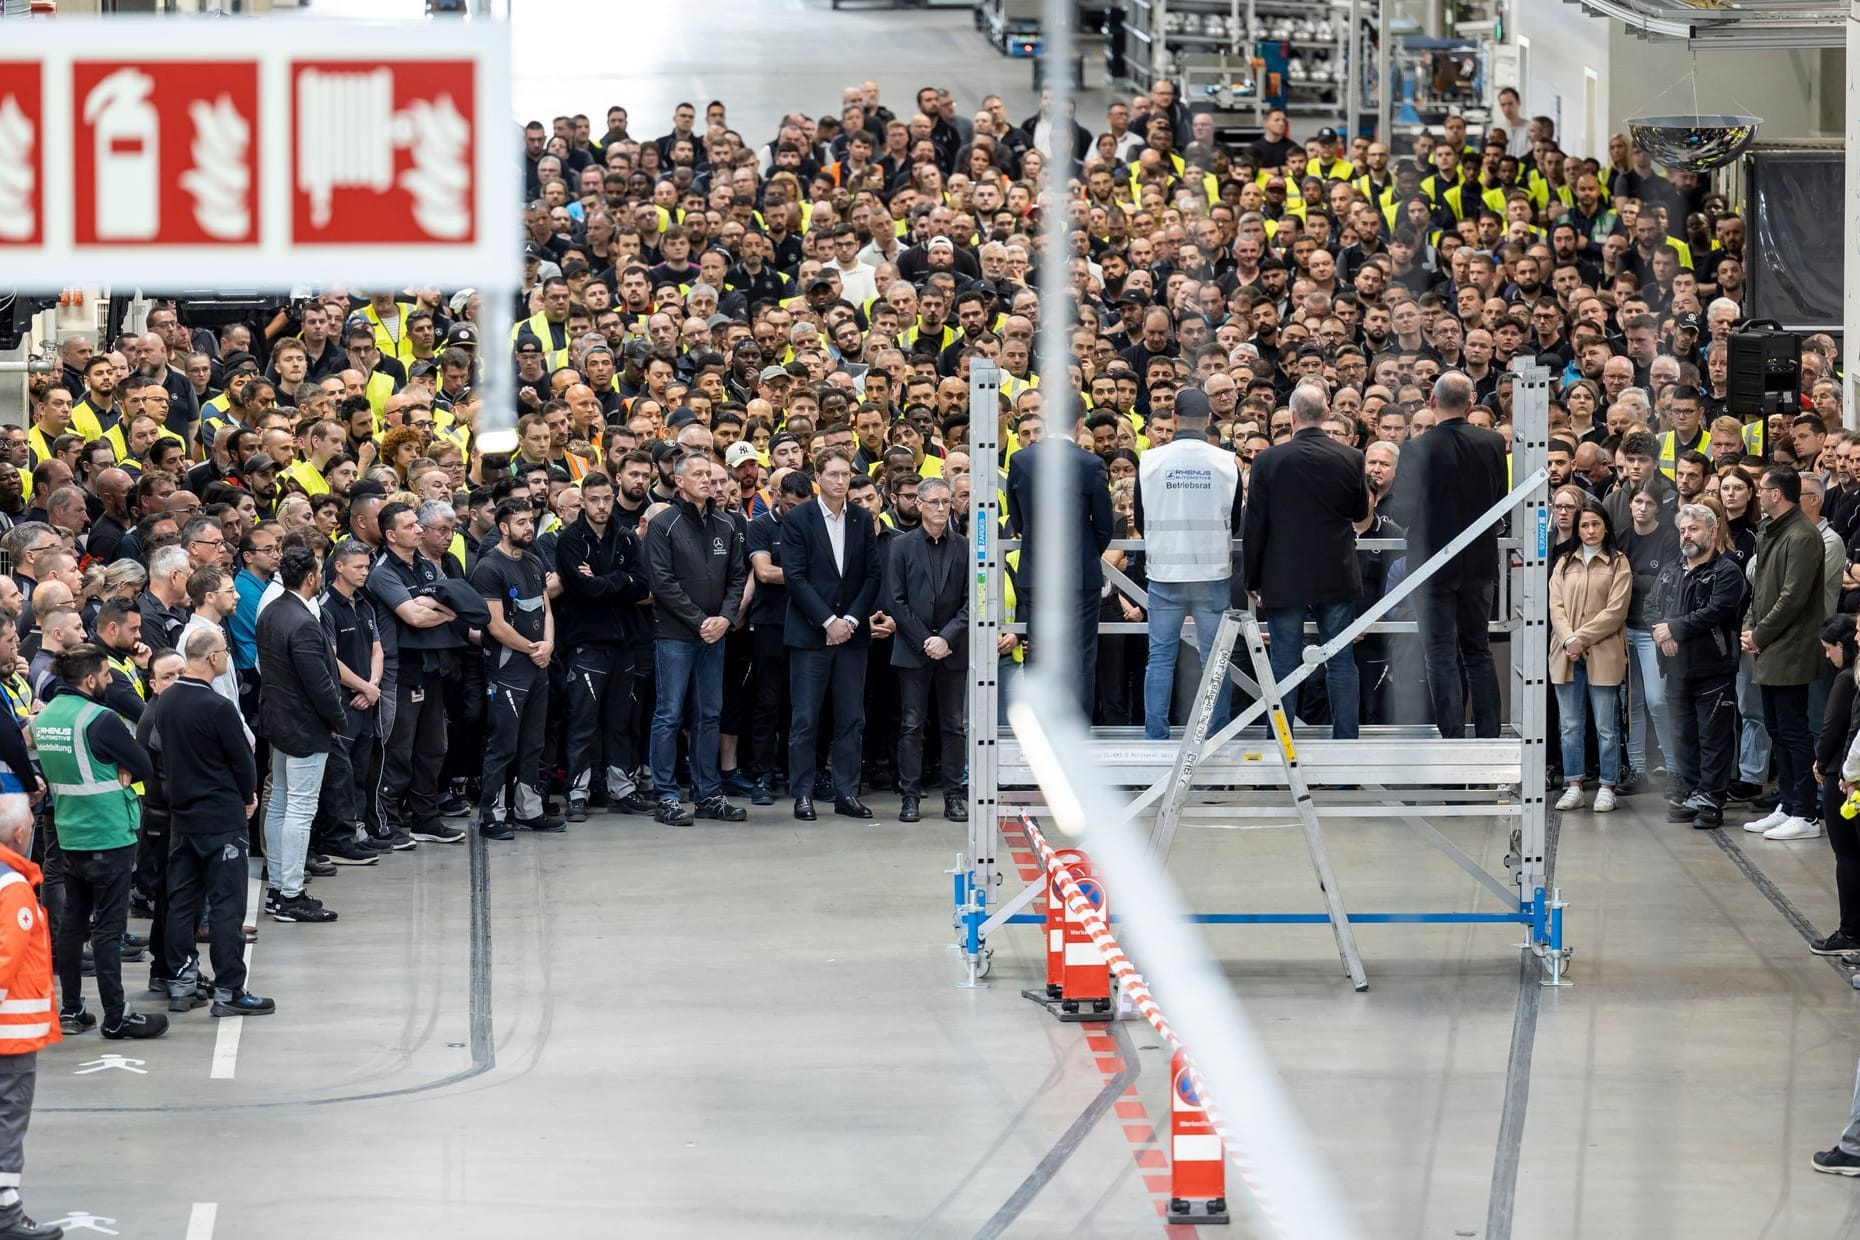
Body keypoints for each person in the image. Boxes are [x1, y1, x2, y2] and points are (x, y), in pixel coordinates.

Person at [32, 644, 165, 1040]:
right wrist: (123, 764)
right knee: (108, 927)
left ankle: (71, 1009)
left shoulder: (44, 718)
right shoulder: (100, 719)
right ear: (90, 680)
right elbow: (144, 764)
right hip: (108, 831)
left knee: (73, 925)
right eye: (106, 676)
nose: (110, 682)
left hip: (68, 832)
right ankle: (116, 1014)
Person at [142, 630, 272, 1016]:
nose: (228, 657)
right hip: (220, 818)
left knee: (182, 902)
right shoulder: (218, 707)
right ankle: (229, 990)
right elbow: (243, 762)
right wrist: (248, 798)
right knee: (226, 905)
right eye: (225, 652)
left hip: (182, 818)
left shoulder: (165, 703)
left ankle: (182, 983)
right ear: (213, 658)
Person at [1243, 380, 1370, 738]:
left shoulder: (1267, 460)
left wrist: (1251, 578)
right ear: (1327, 413)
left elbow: (1255, 525)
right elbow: (1360, 511)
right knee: (1341, 661)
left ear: (1292, 417)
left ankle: (1281, 747)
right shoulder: (1351, 457)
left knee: (1284, 661)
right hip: (1336, 573)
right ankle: (1346, 746)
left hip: (1284, 575)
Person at [1396, 372, 1508, 738]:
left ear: (1431, 401)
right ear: (1471, 402)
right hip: (1479, 564)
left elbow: (1402, 512)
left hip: (1430, 567)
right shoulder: (1492, 442)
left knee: (1440, 654)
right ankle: (1489, 736)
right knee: (1478, 651)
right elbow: (1497, 500)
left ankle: (1452, 738)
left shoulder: (1416, 448)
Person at [643, 454, 748, 826]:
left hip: (714, 635)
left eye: (712, 475)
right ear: (679, 480)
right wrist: (701, 620)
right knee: (669, 714)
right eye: (700, 475)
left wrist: (725, 618)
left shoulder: (726, 522)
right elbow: (661, 581)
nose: (709, 481)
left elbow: (738, 577)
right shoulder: (664, 524)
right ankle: (667, 796)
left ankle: (709, 793)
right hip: (675, 634)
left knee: (710, 713)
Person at [1133, 388, 1243, 739]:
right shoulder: (1227, 462)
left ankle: (1156, 736)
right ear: (1209, 419)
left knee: (1161, 658)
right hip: (1211, 573)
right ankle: (1215, 736)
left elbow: (1139, 514)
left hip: (1165, 573)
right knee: (1215, 660)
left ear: (1175, 419)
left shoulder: (1150, 461)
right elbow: (1237, 522)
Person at [783, 448, 883, 821]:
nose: (841, 481)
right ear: (818, 477)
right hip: (811, 635)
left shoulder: (861, 518)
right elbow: (794, 577)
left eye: (846, 474)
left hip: (853, 636)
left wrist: (852, 621)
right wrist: (829, 622)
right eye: (834, 475)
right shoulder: (799, 520)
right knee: (806, 718)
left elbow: (872, 575)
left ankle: (846, 792)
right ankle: (803, 794)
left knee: (850, 718)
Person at [553, 472, 653, 822]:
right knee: (583, 722)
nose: (601, 506)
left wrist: (604, 579)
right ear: (583, 500)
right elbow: (581, 590)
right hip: (586, 644)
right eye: (594, 499)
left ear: (613, 498)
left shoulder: (626, 538)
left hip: (624, 642)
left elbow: (641, 586)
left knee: (620, 721)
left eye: (606, 499)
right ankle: (578, 793)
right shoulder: (569, 540)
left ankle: (620, 788)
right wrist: (618, 581)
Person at [256, 546, 347, 922]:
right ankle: (291, 894)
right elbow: (320, 684)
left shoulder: (271, 613)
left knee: (279, 807)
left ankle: (278, 888)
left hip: (278, 722)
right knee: (300, 809)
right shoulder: (304, 622)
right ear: (312, 577)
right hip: (305, 727)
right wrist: (339, 720)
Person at [367, 502, 466, 847]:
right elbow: (414, 616)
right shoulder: (382, 572)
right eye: (410, 526)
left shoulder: (426, 564)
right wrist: (435, 608)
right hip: (399, 671)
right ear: (391, 535)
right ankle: (387, 824)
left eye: (418, 524)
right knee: (397, 749)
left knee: (433, 749)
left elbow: (456, 603)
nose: (419, 529)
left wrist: (434, 606)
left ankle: (427, 819)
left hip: (432, 668)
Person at [1005, 411, 1115, 716]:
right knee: (1081, 655)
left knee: (1039, 651)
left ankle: (1041, 724)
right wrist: (1086, 551)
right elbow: (1105, 525)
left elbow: (1017, 519)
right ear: (1079, 423)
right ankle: (1077, 727)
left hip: (1036, 571)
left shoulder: (1021, 460)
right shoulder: (1091, 463)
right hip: (1080, 575)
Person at [1743, 465, 1829, 842]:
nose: (1758, 494)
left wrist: (1759, 633)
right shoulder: (1770, 530)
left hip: (1790, 645)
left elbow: (1792, 597)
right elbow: (1761, 587)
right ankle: (1788, 803)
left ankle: (1805, 813)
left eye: (1763, 488)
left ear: (1777, 494)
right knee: (1776, 726)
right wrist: (1750, 625)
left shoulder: (1803, 536)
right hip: (1768, 642)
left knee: (1793, 731)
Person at [470, 499, 564, 839]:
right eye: (521, 521)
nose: (529, 527)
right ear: (504, 527)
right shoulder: (489, 567)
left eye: (531, 520)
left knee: (533, 743)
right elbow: (494, 625)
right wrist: (532, 648)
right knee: (503, 743)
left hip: (538, 665)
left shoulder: (535, 562)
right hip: (508, 668)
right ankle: (491, 815)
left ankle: (529, 809)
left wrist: (548, 645)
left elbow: (546, 610)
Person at [1653, 503, 1745, 829]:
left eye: (1693, 529)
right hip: (1676, 670)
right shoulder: (1671, 569)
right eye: (1683, 530)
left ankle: (1711, 798)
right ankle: (1691, 792)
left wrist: (1674, 628)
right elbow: (1652, 607)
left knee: (1714, 737)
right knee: (1684, 736)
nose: (1687, 536)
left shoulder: (1727, 571)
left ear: (1712, 531)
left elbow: (1718, 610)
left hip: (1713, 669)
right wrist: (1661, 631)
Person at [885, 476, 967, 823]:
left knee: (953, 725)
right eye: (933, 502)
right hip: (913, 648)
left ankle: (953, 795)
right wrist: (925, 640)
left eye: (946, 502)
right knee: (911, 724)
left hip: (953, 648)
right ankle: (910, 797)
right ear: (918, 504)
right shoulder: (900, 546)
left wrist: (946, 637)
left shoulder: (963, 546)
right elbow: (896, 600)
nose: (940, 508)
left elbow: (971, 600)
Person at [0, 792, 62, 1240]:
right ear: (22, 833)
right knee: (9, 1117)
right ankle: (6, 1214)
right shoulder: (14, 890)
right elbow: (5, 961)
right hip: (10, 1036)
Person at [1549, 499, 1632, 813]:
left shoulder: (1617, 562)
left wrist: (1580, 637)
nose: (1590, 530)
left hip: (1603, 652)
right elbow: (1555, 606)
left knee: (1606, 726)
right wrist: (1569, 638)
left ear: (1606, 526)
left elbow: (1616, 611)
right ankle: (1573, 784)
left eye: (1596, 524)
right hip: (1566, 652)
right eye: (1584, 525)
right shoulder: (1564, 563)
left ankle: (1607, 785)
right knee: (1569, 725)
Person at [1618, 483, 1679, 793]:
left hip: (1652, 630)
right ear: (1630, 505)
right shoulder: (1623, 538)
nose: (1642, 507)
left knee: (1657, 700)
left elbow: (1666, 585)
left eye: (1649, 503)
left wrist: (1631, 577)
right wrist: (1640, 580)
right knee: (1632, 703)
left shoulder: (1669, 538)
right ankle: (1637, 768)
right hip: (1622, 628)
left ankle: (1673, 767)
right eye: (1637, 501)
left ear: (1658, 507)